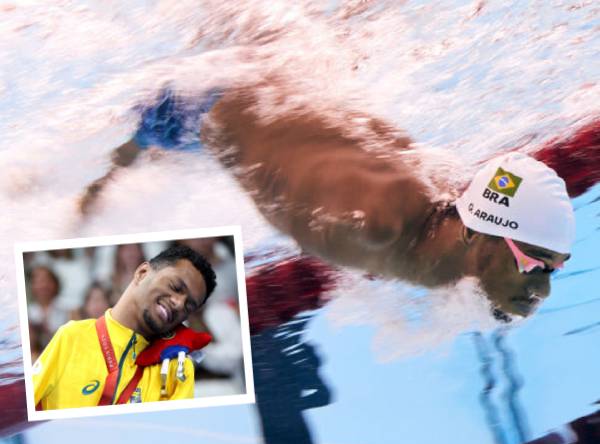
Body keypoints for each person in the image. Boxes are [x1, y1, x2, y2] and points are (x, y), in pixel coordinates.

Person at [80, 85, 575, 319]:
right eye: (537, 264)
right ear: (476, 230)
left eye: (552, 268)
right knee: (86, 202)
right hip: (196, 110)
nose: (544, 290)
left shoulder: (452, 235)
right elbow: (266, 173)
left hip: (268, 100)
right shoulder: (367, 224)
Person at [33, 245, 217, 410]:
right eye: (175, 286)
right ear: (142, 272)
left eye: (189, 306)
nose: (178, 303)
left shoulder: (177, 367)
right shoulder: (72, 336)